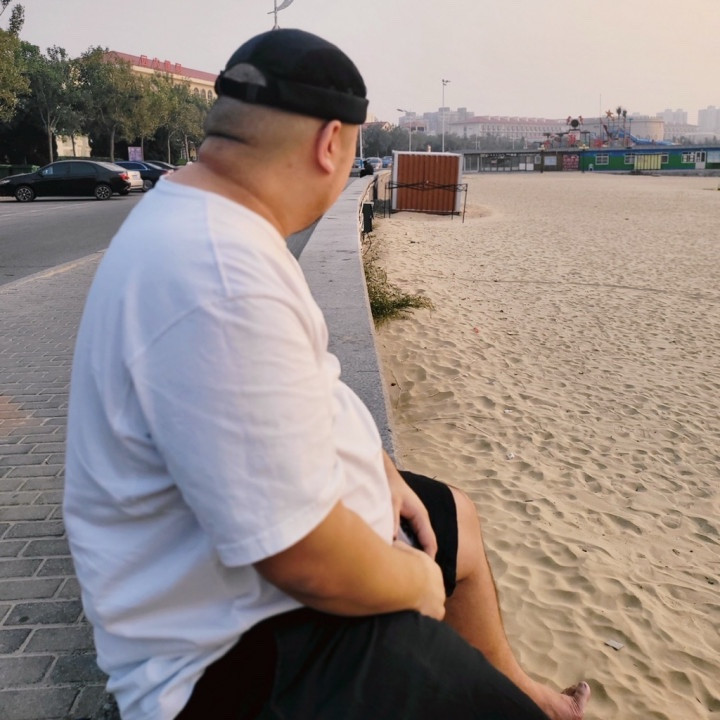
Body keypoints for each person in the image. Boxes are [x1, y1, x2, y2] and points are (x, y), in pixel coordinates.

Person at [64, 29, 590, 720]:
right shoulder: (217, 275)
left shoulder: (214, 221)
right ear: (330, 143)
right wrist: (412, 584)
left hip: (262, 593)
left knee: (452, 515)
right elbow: (301, 555)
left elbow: (290, 389)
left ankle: (530, 694)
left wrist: (378, 466)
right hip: (230, 656)